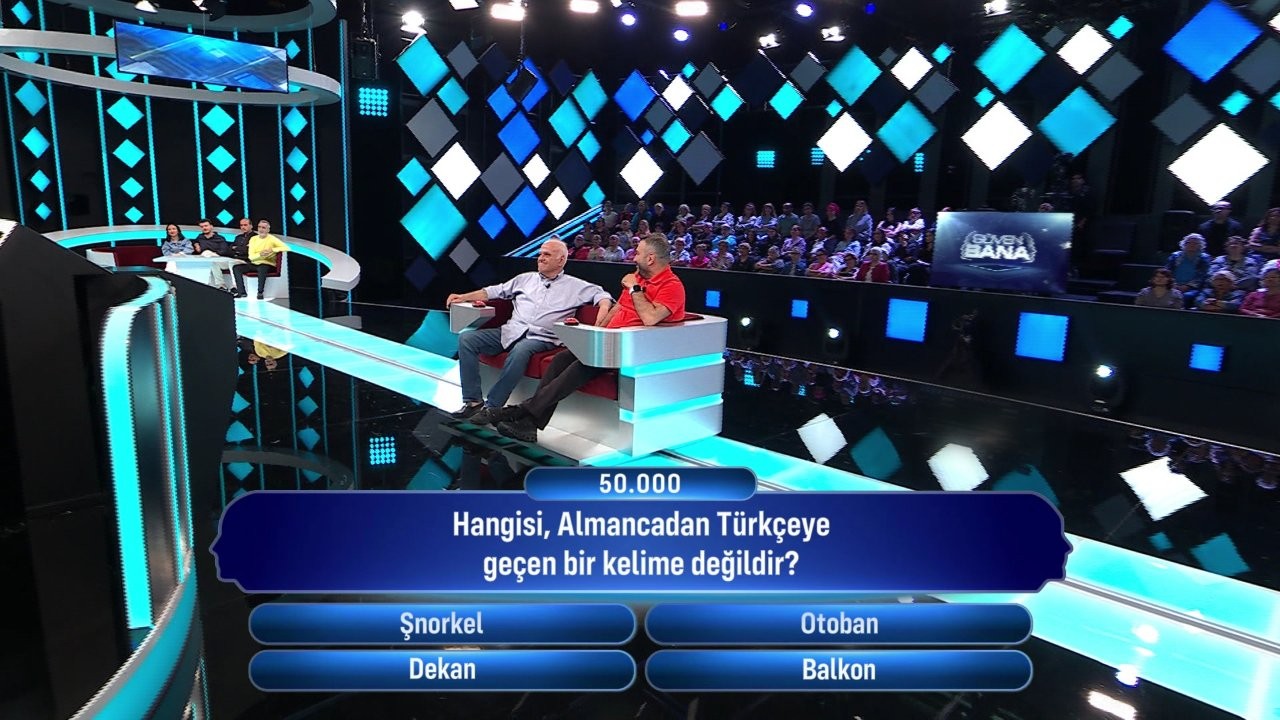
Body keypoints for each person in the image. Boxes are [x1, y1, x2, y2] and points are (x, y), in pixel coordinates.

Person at [493, 233, 686, 442]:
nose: (633, 257)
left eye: (637, 253)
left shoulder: (671, 286)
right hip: (610, 342)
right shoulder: (638, 277)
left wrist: (634, 288)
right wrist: (597, 333)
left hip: (632, 350)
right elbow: (617, 309)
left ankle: (523, 411)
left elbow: (650, 318)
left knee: (582, 365)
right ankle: (530, 424)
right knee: (560, 359)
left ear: (650, 259)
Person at [445, 238, 612, 425]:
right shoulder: (524, 279)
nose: (540, 258)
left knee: (521, 351)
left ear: (561, 260)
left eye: (547, 254)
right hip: (511, 331)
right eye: (540, 254)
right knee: (467, 339)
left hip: (542, 337)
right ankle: (473, 401)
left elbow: (602, 294)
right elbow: (492, 292)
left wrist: (604, 308)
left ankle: (492, 407)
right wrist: (463, 297)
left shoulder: (576, 286)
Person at [231, 219, 288, 299]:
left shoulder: (272, 239)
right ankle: (241, 292)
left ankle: (260, 292)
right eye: (259, 227)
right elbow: (251, 256)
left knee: (262, 267)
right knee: (236, 268)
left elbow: (286, 247)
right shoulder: (253, 239)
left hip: (267, 263)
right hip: (254, 263)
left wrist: (272, 250)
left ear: (268, 229)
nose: (261, 229)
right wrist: (260, 254)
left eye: (263, 228)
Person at [1165, 233, 1211, 306]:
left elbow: (1201, 276)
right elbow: (1167, 271)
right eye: (1188, 242)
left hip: (1193, 288)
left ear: (1200, 245)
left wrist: (1187, 286)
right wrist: (1173, 284)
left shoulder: (1204, 258)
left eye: (1195, 243)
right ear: (1184, 244)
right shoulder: (1175, 256)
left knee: (1186, 296)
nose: (1191, 245)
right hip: (1173, 285)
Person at [192, 218, 233, 290]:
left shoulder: (220, 238)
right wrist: (196, 244)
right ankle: (219, 286)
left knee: (212, 262)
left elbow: (224, 251)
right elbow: (195, 245)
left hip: (220, 260)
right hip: (206, 261)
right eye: (202, 227)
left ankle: (222, 285)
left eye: (206, 226)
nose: (204, 228)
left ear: (211, 226)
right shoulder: (199, 237)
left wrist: (212, 254)